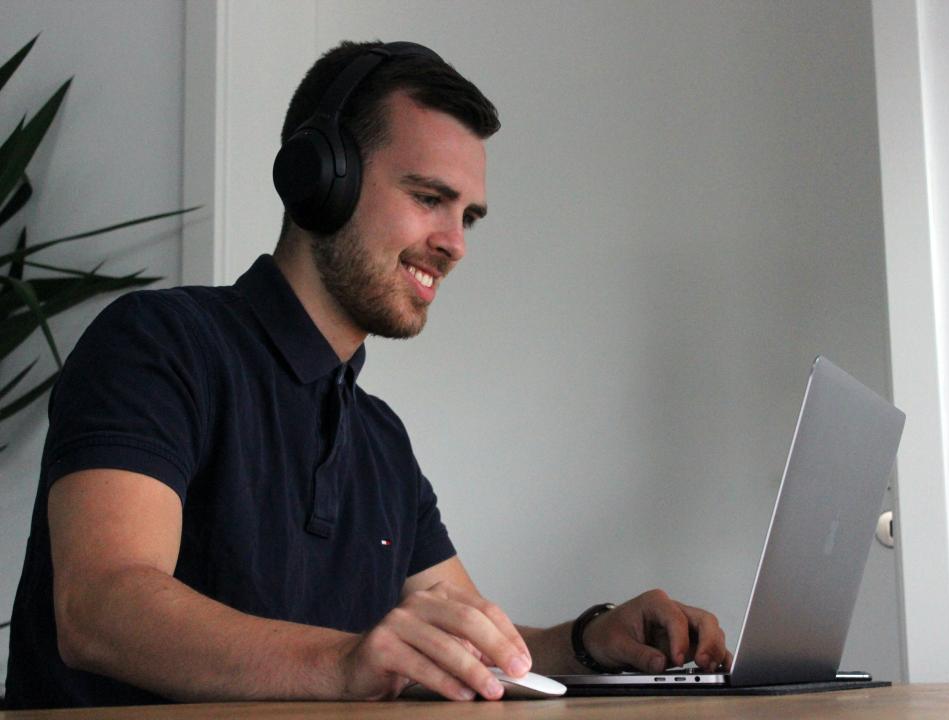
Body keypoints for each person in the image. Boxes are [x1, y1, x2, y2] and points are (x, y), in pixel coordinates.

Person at [4, 40, 731, 710]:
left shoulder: (380, 439)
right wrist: (347, 662)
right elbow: (101, 609)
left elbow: (476, 649)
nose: (453, 245)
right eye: (428, 198)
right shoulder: (157, 345)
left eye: (467, 216)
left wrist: (589, 639)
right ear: (319, 178)